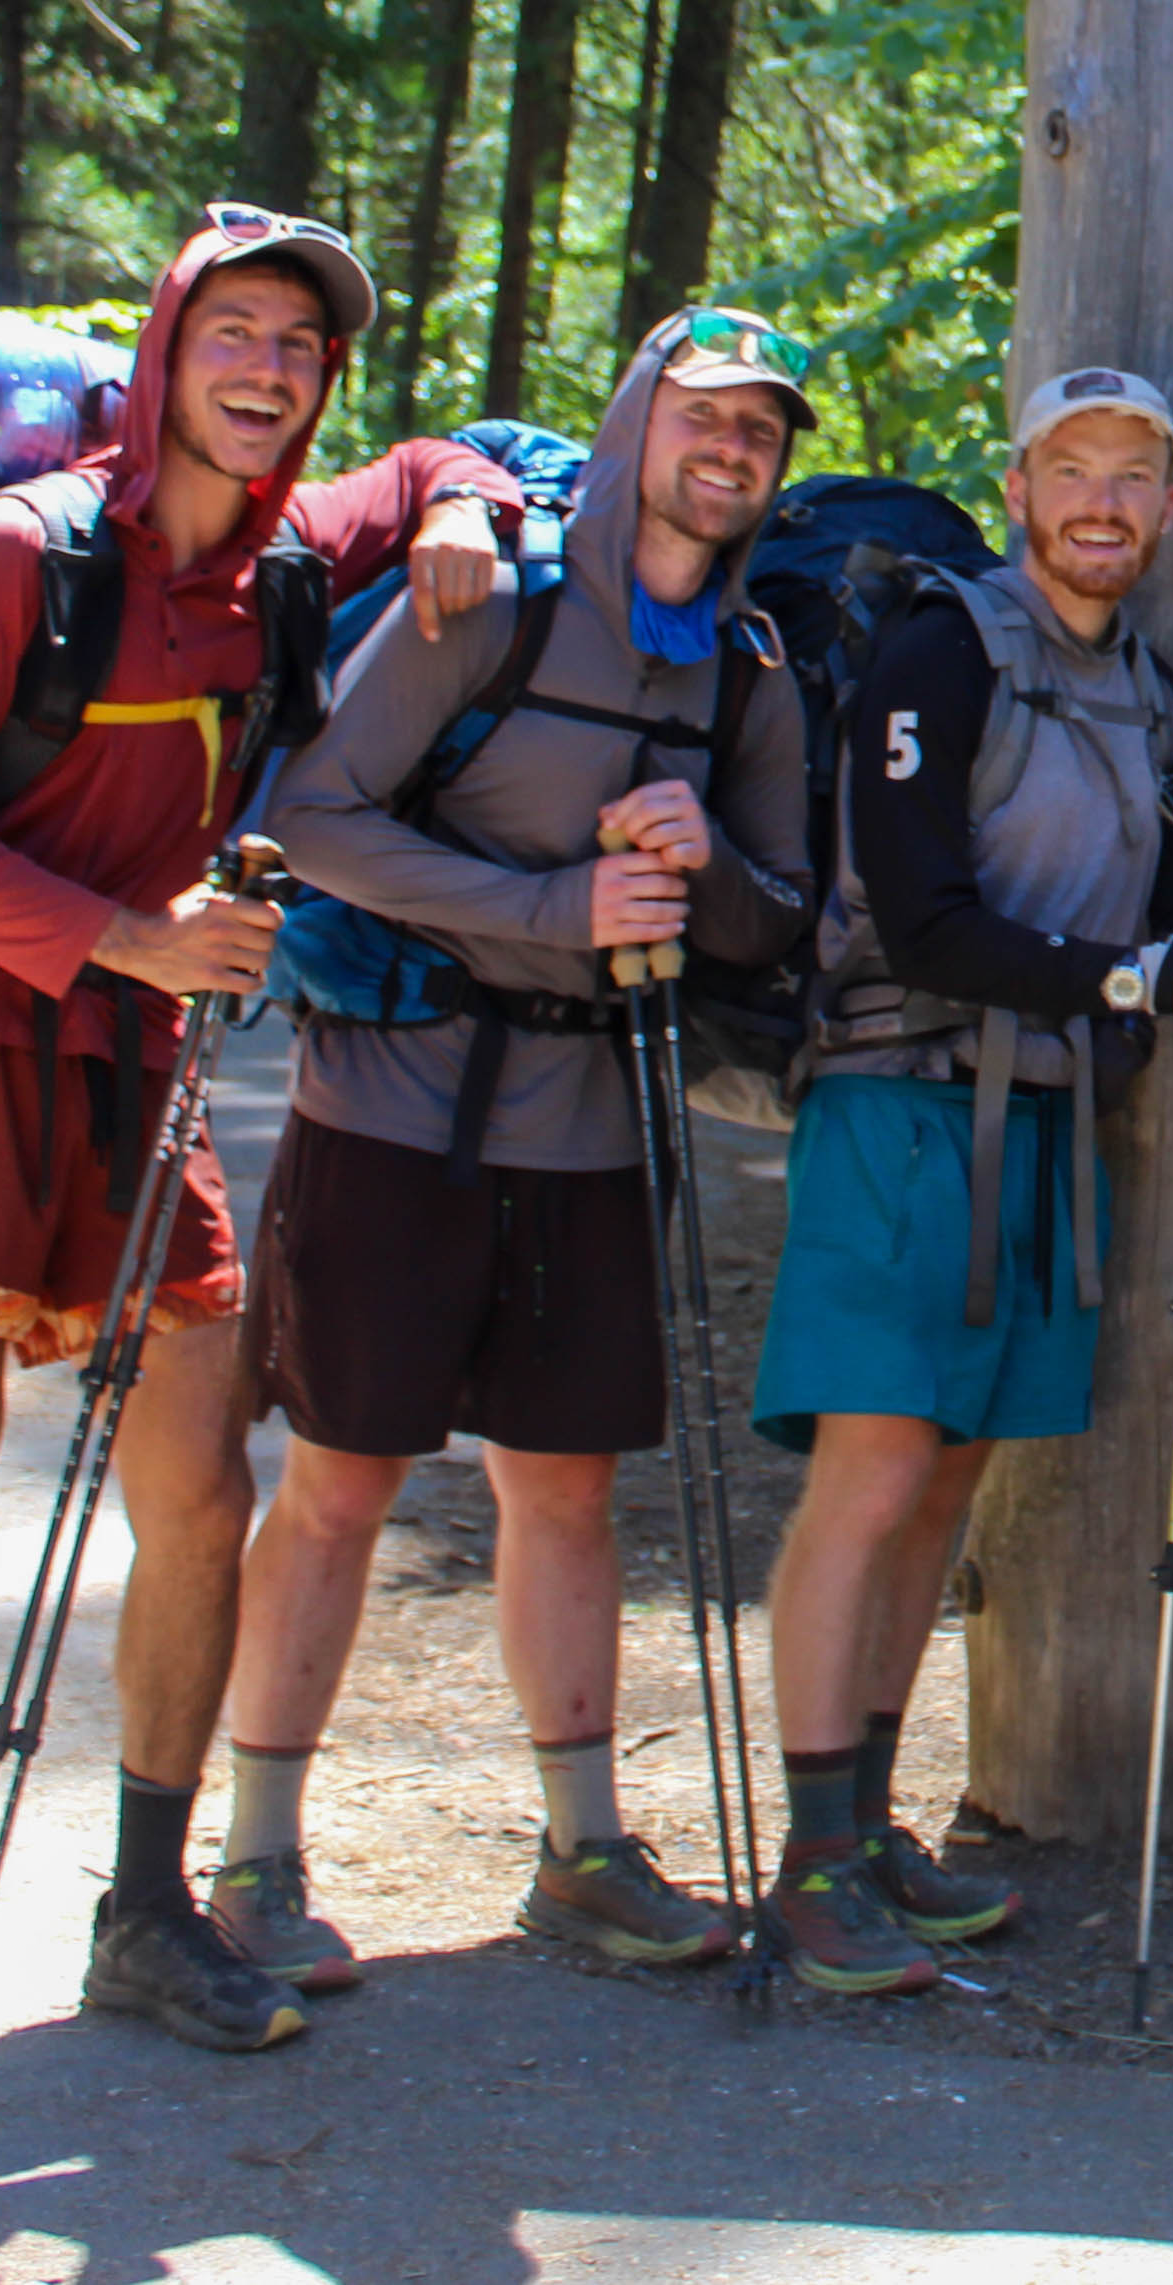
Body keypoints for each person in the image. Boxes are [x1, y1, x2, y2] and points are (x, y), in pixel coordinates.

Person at [0, 207, 523, 2071]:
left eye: (302, 343)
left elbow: (439, 462)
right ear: (160, 350)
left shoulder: (291, 549)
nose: (269, 366)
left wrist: (460, 505)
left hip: (140, 1060)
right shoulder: (10, 554)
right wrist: (127, 933)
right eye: (237, 330)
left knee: (201, 1489)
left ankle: (147, 1909)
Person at [204, 306, 824, 1996]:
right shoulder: (486, 598)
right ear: (639, 423)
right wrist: (550, 904)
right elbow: (313, 818)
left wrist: (705, 874)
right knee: (340, 1482)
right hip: (392, 1106)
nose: (731, 452)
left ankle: (584, 1850)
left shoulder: (751, 671)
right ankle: (256, 1856)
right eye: (704, 416)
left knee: (566, 1490)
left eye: (761, 432)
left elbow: (777, 928)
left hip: (598, 1130)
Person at [745, 365, 1173, 1995]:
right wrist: (1142, 981)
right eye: (1076, 468)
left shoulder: (1151, 692)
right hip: (900, 1108)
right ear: (1020, 486)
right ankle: (807, 1861)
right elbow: (924, 918)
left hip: (1046, 1119)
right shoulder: (942, 653)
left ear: (1170, 506)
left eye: (1136, 475)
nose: (1105, 503)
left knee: (945, 1485)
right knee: (870, 1473)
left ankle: (862, 1821)